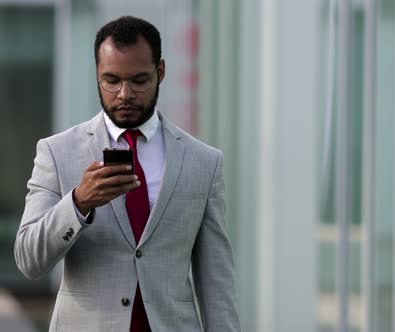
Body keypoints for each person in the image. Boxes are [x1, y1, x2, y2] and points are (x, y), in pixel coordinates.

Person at [14, 16, 239, 332]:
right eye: (111, 80)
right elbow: (28, 260)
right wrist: (78, 204)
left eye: (139, 80)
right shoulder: (57, 152)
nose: (124, 94)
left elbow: (216, 280)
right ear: (97, 75)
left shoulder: (203, 161)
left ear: (160, 72)